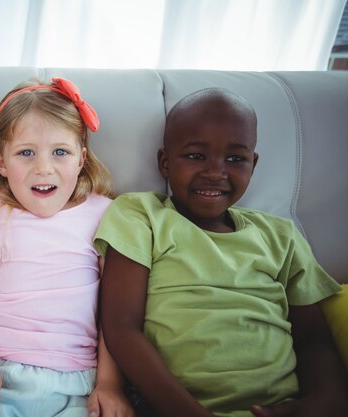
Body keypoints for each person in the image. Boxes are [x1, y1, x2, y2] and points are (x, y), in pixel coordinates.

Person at [94, 87, 348, 417]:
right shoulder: (141, 215)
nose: (216, 172)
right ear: (165, 162)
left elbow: (314, 339)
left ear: (253, 164)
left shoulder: (280, 235)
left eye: (235, 158)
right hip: (169, 405)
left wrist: (323, 402)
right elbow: (121, 325)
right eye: (196, 156)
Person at [0, 78, 134, 417]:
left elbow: (114, 311)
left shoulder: (104, 214)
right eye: (25, 152)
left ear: (81, 159)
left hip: (79, 384)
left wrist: (110, 383)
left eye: (60, 152)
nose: (43, 167)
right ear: (0, 161)